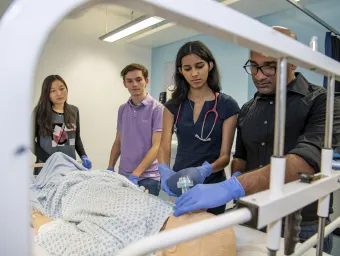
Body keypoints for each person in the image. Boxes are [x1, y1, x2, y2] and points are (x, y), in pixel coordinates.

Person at [172, 26, 340, 253]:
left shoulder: (322, 101)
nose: (259, 76)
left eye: (270, 66)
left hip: (302, 222)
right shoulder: (248, 109)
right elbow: (240, 157)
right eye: (254, 66)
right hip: (254, 214)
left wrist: (233, 186)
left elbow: (306, 161)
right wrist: (237, 184)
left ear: (294, 62)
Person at [30, 152, 236, 256]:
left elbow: (59, 235)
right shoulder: (166, 211)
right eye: (205, 214)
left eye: (196, 217)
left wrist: (37, 218)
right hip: (89, 177)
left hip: (56, 190)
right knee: (57, 156)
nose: (198, 208)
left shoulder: (122, 246)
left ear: (171, 246)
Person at [158, 41, 240, 215]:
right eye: (187, 69)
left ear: (210, 65)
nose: (194, 73)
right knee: (181, 235)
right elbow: (164, 146)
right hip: (180, 184)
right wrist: (164, 169)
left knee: (209, 236)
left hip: (212, 187)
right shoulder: (173, 106)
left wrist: (206, 169)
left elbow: (225, 156)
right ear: (181, 71)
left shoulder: (227, 106)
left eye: (199, 66)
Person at [107, 63, 163, 196]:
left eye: (138, 79)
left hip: (148, 178)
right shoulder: (122, 109)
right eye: (130, 81)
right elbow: (118, 142)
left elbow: (157, 146)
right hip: (124, 175)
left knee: (146, 216)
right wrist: (110, 167)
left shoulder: (157, 109)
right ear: (124, 84)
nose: (135, 84)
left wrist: (136, 174)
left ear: (146, 81)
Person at [32, 75, 91, 175]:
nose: (59, 93)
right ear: (47, 93)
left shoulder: (74, 110)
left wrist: (83, 156)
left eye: (61, 88)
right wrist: (49, 159)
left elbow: (76, 138)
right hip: (47, 168)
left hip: (69, 168)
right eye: (52, 91)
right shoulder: (39, 111)